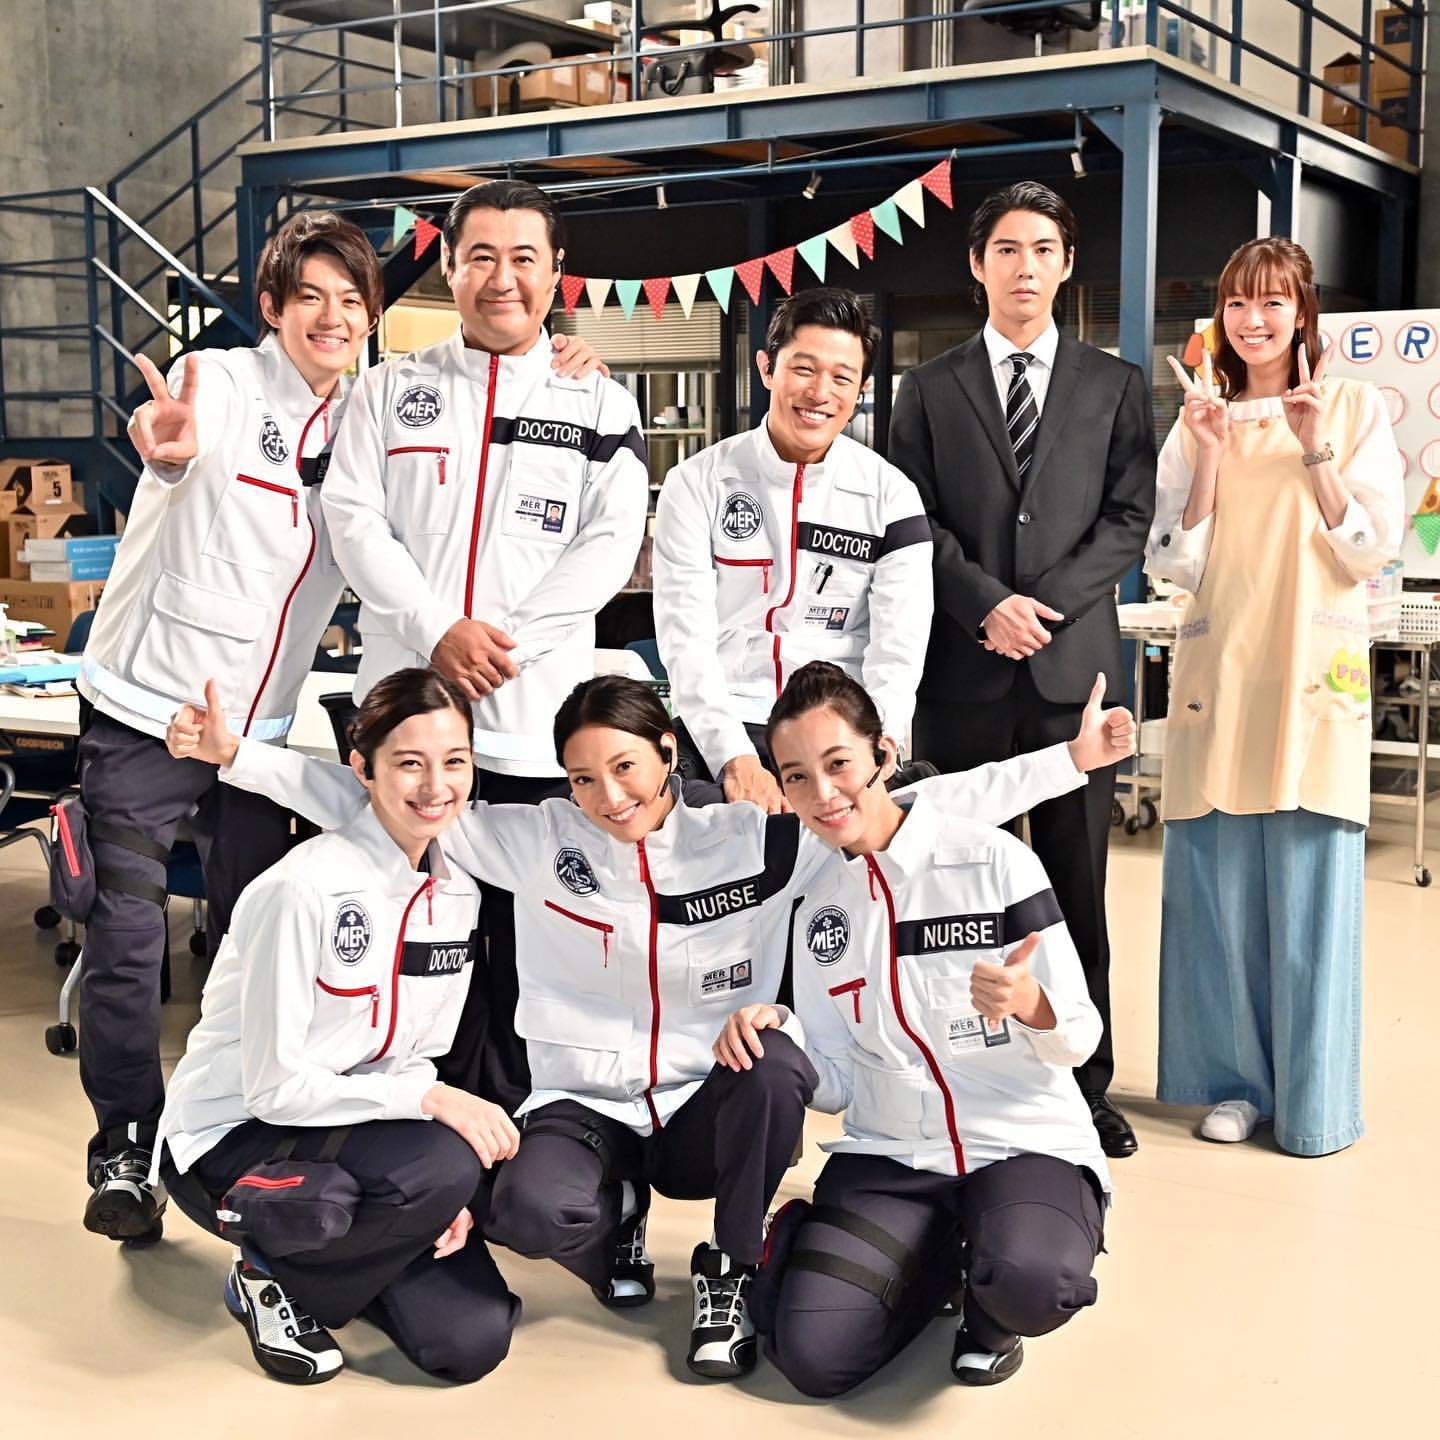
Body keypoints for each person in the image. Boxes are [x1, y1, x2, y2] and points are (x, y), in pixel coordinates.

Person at [167, 669, 1126, 1380]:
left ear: (669, 751)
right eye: (582, 779)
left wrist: (1069, 763)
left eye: (625, 766)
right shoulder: (537, 842)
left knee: (774, 1064)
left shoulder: (758, 839)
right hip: (588, 1101)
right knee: (530, 1208)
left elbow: (904, 805)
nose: (610, 796)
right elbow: (385, 797)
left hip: (705, 1097)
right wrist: (239, 758)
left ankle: (730, 1268)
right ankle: (613, 1224)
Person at [74, 211, 383, 1244]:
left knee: (263, 934)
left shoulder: (368, 421)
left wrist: (560, 360)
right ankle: (125, 1144)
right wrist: (165, 456)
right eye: (312, 298)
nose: (332, 318)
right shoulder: (218, 382)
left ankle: (240, 1129)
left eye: (352, 301)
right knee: (128, 935)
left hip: (260, 735)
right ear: (272, 308)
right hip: (148, 714)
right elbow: (176, 446)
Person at [321, 178, 649, 1113]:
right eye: (481, 258)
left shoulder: (600, 404)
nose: (502, 279)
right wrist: (436, 631)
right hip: (410, 720)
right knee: (408, 931)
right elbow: (353, 518)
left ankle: (526, 1129)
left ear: (556, 272)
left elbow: (608, 544)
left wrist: (506, 648)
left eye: (523, 258)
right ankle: (405, 1116)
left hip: (533, 727)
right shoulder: (389, 390)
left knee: (532, 944)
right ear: (450, 269)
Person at [715, 661, 1114, 1394]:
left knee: (1034, 1281)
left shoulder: (994, 861)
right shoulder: (821, 908)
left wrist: (1032, 1003)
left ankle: (989, 1319)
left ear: (884, 754)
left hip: (1021, 1139)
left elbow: (1079, 1035)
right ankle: (936, 1259)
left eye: (839, 764)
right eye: (796, 776)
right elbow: (836, 1080)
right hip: (894, 1152)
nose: (823, 793)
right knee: (814, 1359)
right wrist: (782, 1034)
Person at [888, 180, 1156, 1159]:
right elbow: (911, 518)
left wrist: (1038, 608)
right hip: (962, 678)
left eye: (1043, 249)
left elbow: (1128, 518)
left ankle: (1086, 1085)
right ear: (977, 265)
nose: (1026, 267)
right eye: (1007, 249)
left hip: (1072, 680)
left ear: (1066, 263)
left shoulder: (1114, 385)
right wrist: (982, 605)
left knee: (1078, 889)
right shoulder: (928, 387)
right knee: (961, 887)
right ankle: (969, 1076)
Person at [155, 669, 521, 1385]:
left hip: (352, 1128)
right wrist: (428, 1107)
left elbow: (413, 1055)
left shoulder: (456, 893)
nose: (436, 786)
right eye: (409, 763)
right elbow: (273, 1090)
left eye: (454, 762)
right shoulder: (302, 890)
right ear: (362, 768)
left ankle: (349, 1256)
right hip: (232, 1136)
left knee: (469, 1342)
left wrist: (424, 1208)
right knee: (443, 1163)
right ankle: (264, 1273)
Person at [1145, 237, 1403, 1155]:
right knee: (1218, 895)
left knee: (1308, 897)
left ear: (1303, 314)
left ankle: (1315, 1096)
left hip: (1310, 669)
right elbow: (1174, 562)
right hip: (1221, 668)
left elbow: (1369, 549)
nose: (1253, 320)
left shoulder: (1350, 406)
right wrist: (1212, 452)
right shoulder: (1199, 419)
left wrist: (1313, 446)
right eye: (1238, 303)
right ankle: (1234, 1085)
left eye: (1273, 303)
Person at [654, 286, 933, 814]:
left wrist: (878, 745)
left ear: (862, 388)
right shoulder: (696, 483)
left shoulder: (891, 496)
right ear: (767, 368)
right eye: (803, 369)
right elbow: (684, 639)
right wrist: (733, 758)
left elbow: (899, 647)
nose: (820, 392)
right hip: (727, 719)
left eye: (842, 377)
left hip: (841, 729)